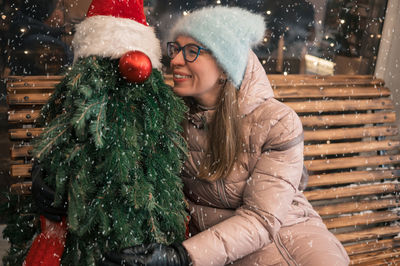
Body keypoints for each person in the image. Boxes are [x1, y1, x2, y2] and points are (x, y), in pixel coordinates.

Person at [34, 6, 350, 266]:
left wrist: (181, 256)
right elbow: (107, 134)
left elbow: (262, 221)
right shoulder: (169, 113)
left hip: (299, 244)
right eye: (175, 49)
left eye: (192, 51)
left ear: (226, 67)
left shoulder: (277, 122)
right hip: (224, 254)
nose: (175, 60)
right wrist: (56, 178)